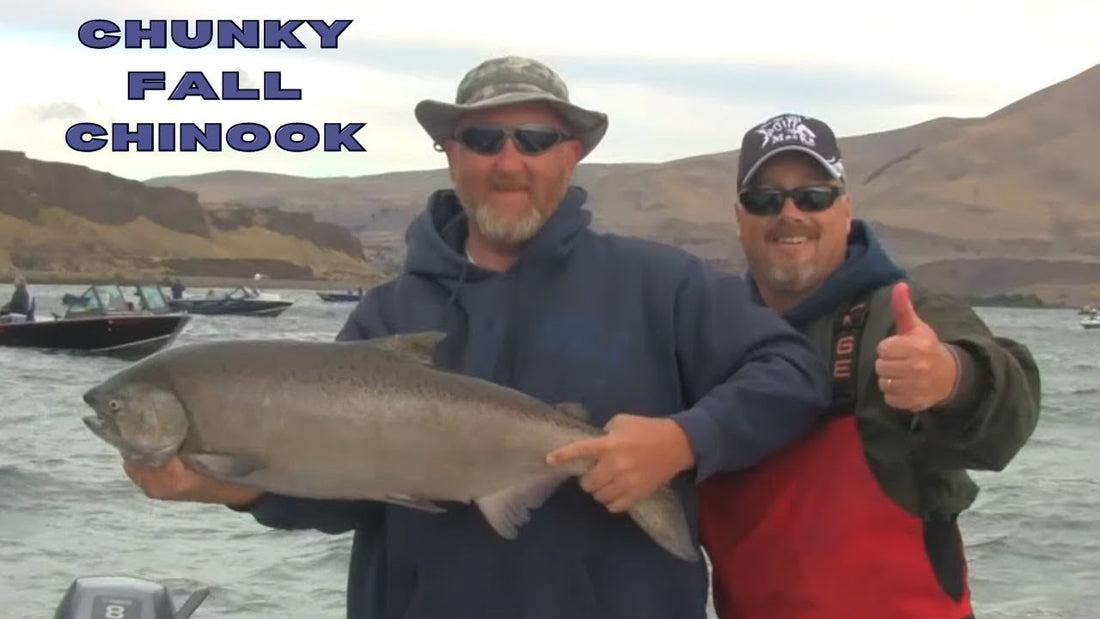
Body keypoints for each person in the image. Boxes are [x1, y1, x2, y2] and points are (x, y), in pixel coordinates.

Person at [122, 58, 833, 619]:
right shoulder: (384, 314)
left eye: (534, 139)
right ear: (451, 153)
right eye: (485, 139)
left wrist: (684, 439)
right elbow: (342, 495)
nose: (508, 160)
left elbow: (791, 372)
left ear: (572, 154)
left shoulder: (661, 284)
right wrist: (230, 487)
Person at [698, 113, 1042, 619]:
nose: (789, 214)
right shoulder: (706, 338)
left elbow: (1010, 415)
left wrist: (953, 378)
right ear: (739, 216)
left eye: (813, 196)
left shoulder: (902, 314)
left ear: (845, 208)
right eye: (764, 199)